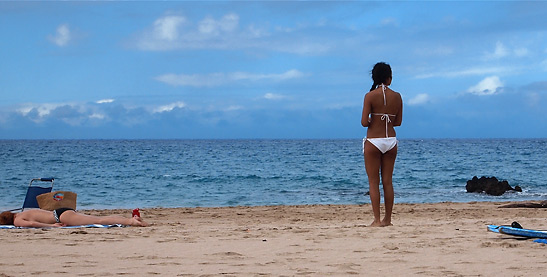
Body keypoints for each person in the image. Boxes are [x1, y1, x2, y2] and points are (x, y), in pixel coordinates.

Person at [361, 62, 403, 227]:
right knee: (388, 181)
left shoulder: (369, 96)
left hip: (374, 140)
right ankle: (388, 219)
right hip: (391, 141)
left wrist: (373, 119)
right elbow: (398, 122)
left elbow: (364, 122)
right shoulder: (397, 96)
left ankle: (377, 220)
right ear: (389, 78)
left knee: (373, 181)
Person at [0, 208, 148, 227]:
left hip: (60, 218)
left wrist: (51, 226)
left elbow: (30, 224)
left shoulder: (17, 220)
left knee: (98, 221)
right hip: (59, 211)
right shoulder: (22, 212)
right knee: (96, 218)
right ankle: (132, 218)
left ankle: (131, 221)